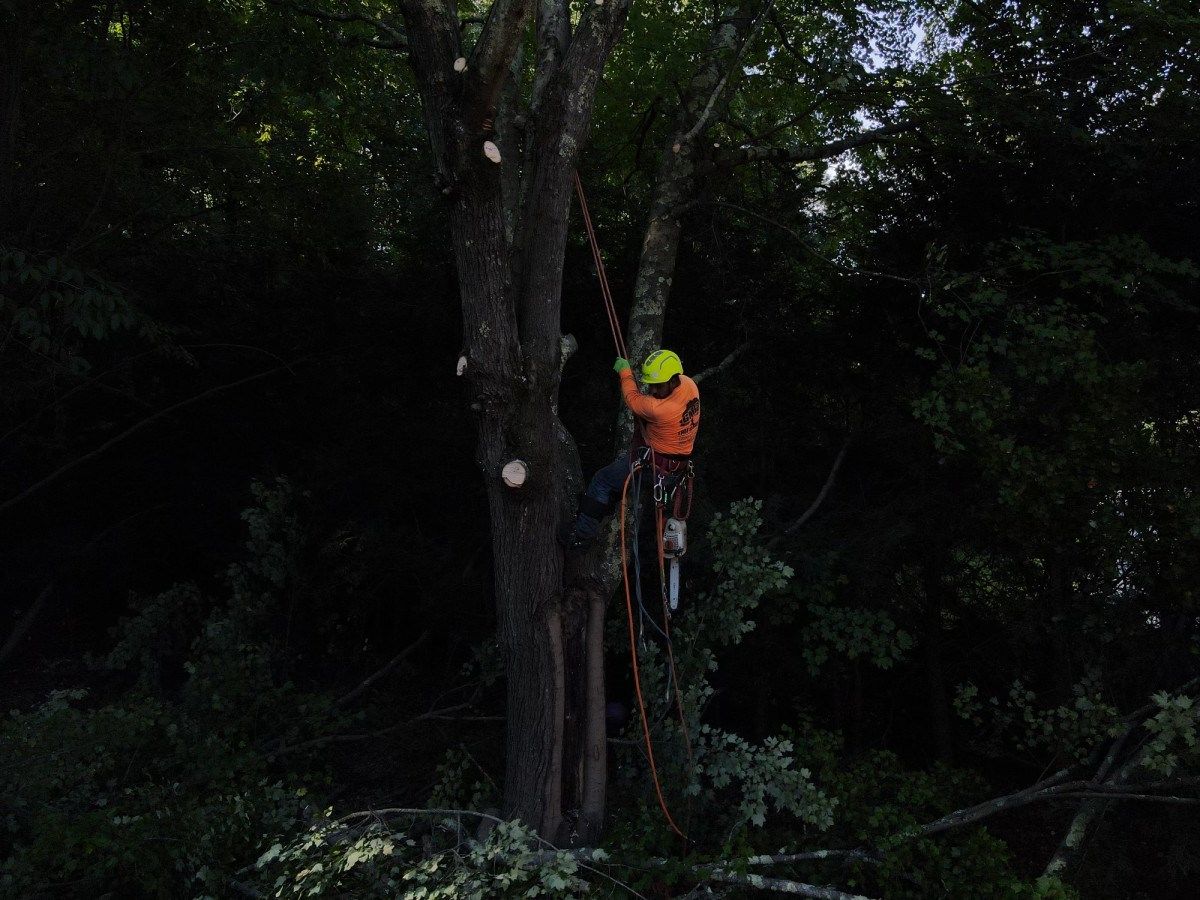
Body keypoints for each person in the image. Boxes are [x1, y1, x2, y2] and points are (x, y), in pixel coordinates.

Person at [563, 349, 700, 552]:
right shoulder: (690, 386)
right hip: (675, 468)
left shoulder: (658, 409)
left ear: (673, 380)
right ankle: (603, 508)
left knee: (602, 481)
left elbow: (632, 397)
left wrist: (625, 372)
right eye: (651, 385)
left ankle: (581, 536)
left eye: (658, 386)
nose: (652, 390)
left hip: (654, 469)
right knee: (613, 485)